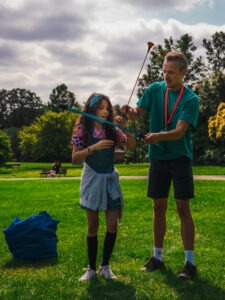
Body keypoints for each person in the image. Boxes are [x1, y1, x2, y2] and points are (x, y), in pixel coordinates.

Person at [121, 51, 199, 280]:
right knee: (158, 207)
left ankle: (189, 263)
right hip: (157, 157)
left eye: (171, 72)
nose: (166, 76)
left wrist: (156, 136)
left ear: (183, 73)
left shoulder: (191, 99)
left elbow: (179, 132)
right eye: (164, 71)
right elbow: (137, 115)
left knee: (183, 208)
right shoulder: (154, 89)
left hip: (180, 157)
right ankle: (157, 257)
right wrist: (130, 113)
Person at [71, 92, 136, 281]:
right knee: (93, 225)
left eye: (107, 108)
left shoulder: (112, 129)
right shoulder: (83, 130)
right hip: (91, 179)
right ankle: (91, 269)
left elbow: (132, 146)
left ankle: (105, 266)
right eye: (100, 107)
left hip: (110, 180)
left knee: (112, 224)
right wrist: (94, 148)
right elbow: (75, 159)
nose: (105, 112)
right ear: (91, 109)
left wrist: (126, 128)